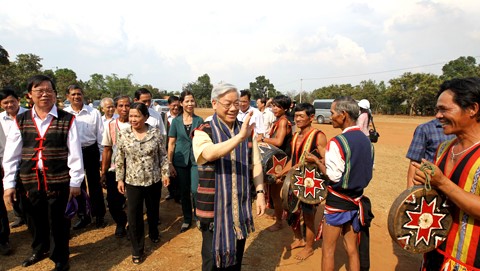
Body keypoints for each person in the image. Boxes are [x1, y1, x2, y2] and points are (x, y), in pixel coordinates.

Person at [3, 75, 84, 270]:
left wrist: (75, 182)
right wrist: (9, 185)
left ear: (55, 95)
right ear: (29, 95)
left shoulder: (67, 119)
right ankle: (39, 249)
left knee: (59, 221)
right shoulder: (21, 120)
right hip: (29, 180)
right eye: (39, 91)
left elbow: (75, 153)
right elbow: (11, 155)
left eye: (49, 90)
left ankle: (60, 257)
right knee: (34, 219)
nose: (45, 94)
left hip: (58, 179)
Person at [192, 82, 266, 270]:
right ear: (214, 103)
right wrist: (239, 138)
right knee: (211, 261)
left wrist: (260, 192)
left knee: (236, 260)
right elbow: (208, 154)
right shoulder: (203, 131)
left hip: (238, 207)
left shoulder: (245, 130)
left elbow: (256, 163)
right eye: (228, 104)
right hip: (213, 208)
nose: (233, 108)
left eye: (237, 103)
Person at [412, 77, 480, 270]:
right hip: (435, 254)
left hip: (469, 262)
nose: (438, 116)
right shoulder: (443, 149)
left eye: (444, 109)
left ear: (473, 109)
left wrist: (442, 183)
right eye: (437, 110)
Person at [312, 96, 373, 271]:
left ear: (343, 115)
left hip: (337, 202)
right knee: (352, 249)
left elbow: (333, 176)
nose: (331, 116)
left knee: (328, 250)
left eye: (332, 113)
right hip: (356, 200)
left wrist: (317, 163)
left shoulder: (337, 142)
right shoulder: (366, 140)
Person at [115, 102, 169, 264]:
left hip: (153, 180)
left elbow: (163, 156)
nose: (133, 119)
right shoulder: (123, 134)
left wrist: (165, 173)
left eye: (137, 116)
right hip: (133, 181)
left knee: (153, 210)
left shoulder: (156, 133)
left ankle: (153, 232)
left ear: (145, 117)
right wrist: (119, 178)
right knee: (134, 215)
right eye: (131, 116)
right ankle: (137, 249)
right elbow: (119, 158)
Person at [276, 102, 327, 261]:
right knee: (289, 210)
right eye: (296, 116)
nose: (297, 119)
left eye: (301, 116)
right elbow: (293, 160)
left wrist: (314, 162)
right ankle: (299, 239)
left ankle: (309, 247)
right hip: (295, 179)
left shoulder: (319, 136)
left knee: (308, 215)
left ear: (311, 118)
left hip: (310, 183)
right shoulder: (296, 136)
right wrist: (282, 173)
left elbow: (326, 160)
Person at [64, 85, 106, 229]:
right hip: (73, 153)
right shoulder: (64, 114)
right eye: (73, 94)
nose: (76, 97)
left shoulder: (93, 113)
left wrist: (101, 156)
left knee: (95, 184)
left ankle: (99, 215)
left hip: (91, 151)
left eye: (79, 94)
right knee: (78, 185)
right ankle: (83, 216)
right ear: (67, 97)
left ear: (83, 95)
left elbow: (101, 135)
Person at [168, 91, 203, 232]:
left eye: (192, 101)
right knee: (183, 191)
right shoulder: (175, 122)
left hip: (195, 160)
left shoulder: (199, 120)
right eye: (187, 101)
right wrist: (169, 163)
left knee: (195, 190)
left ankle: (198, 217)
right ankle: (187, 219)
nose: (190, 104)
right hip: (180, 160)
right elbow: (171, 143)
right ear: (181, 103)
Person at [256, 95, 292, 232]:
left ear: (285, 108)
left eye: (278, 106)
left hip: (281, 162)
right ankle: (282, 216)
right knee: (276, 193)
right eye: (273, 106)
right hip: (280, 160)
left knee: (276, 194)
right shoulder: (279, 120)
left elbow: (278, 142)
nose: (274, 108)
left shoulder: (283, 122)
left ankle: (279, 222)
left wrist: (263, 139)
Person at [100, 95, 130, 238]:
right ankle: (120, 221)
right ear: (116, 108)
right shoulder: (111, 126)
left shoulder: (137, 123)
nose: (124, 109)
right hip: (115, 169)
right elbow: (107, 149)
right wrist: (103, 172)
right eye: (121, 106)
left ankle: (132, 224)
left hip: (133, 170)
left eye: (127, 105)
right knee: (113, 202)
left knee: (132, 200)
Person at [0, 88, 27, 231]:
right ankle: (19, 215)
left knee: (26, 190)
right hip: (8, 159)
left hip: (27, 158)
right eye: (5, 103)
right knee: (12, 187)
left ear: (18, 100)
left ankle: (30, 218)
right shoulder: (0, 119)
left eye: (12, 101)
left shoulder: (29, 115)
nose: (9, 105)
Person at [406, 118, 454, 188]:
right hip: (432, 186)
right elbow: (414, 163)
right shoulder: (425, 129)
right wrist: (410, 192)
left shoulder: (464, 129)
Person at [164, 95, 180, 201]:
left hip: (179, 148)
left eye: (178, 106)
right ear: (168, 105)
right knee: (168, 170)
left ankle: (178, 195)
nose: (175, 108)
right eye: (173, 105)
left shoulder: (183, 116)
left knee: (178, 171)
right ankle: (172, 192)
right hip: (166, 147)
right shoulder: (164, 117)